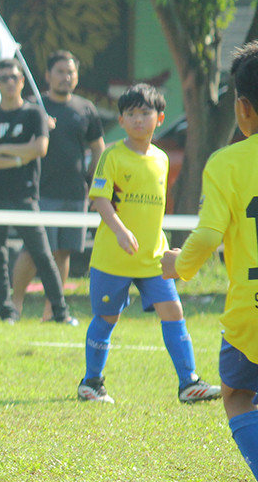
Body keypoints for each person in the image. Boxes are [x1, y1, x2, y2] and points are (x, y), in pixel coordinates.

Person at [79, 83, 220, 404]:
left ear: (160, 118)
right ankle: (91, 383)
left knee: (173, 310)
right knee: (107, 318)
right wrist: (119, 231)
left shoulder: (162, 159)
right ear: (121, 119)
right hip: (113, 257)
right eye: (131, 114)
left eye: (145, 113)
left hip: (154, 257)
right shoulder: (112, 155)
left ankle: (189, 383)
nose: (138, 119)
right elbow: (99, 199)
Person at [162, 41, 258, 479]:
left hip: (249, 310)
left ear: (243, 108)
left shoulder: (226, 163)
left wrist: (179, 265)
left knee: (237, 394)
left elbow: (207, 236)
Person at [0, 58, 77, 325]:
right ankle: (7, 313)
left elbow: (40, 149)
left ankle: (60, 312)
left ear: (22, 81)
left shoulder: (34, 114)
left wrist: (1, 150)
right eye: (4, 78)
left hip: (25, 195)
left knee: (42, 254)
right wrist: (21, 156)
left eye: (15, 77)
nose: (10, 82)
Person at [11, 51, 105, 320]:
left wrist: (93, 183)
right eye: (60, 72)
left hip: (74, 193)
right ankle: (14, 307)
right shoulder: (32, 107)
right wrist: (40, 128)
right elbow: (17, 142)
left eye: (71, 72)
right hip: (39, 192)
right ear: (48, 75)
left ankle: (52, 310)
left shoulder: (85, 108)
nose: (66, 77)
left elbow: (97, 148)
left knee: (63, 252)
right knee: (32, 252)